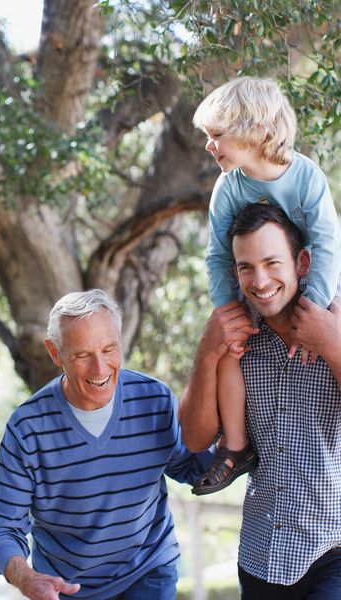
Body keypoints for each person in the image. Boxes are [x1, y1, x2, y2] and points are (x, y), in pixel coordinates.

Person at [0, 289, 213, 600]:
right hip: (66, 586)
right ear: (54, 352)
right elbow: (1, 529)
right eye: (81, 355)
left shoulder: (154, 399)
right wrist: (26, 578)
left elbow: (190, 468)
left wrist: (239, 440)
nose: (100, 370)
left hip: (148, 569)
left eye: (109, 350)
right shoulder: (27, 429)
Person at [179, 203, 341, 598]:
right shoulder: (234, 332)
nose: (260, 280)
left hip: (333, 549)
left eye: (272, 262)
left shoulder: (334, 317)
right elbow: (196, 439)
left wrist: (331, 346)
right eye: (245, 266)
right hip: (260, 554)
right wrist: (207, 351)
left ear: (302, 262)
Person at [190, 76, 341, 495]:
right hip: (258, 283)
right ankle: (235, 446)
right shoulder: (229, 187)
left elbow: (328, 243)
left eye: (217, 135)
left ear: (254, 131)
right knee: (227, 350)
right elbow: (219, 254)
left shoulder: (306, 177)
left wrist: (316, 308)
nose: (209, 145)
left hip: (314, 280)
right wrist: (226, 312)